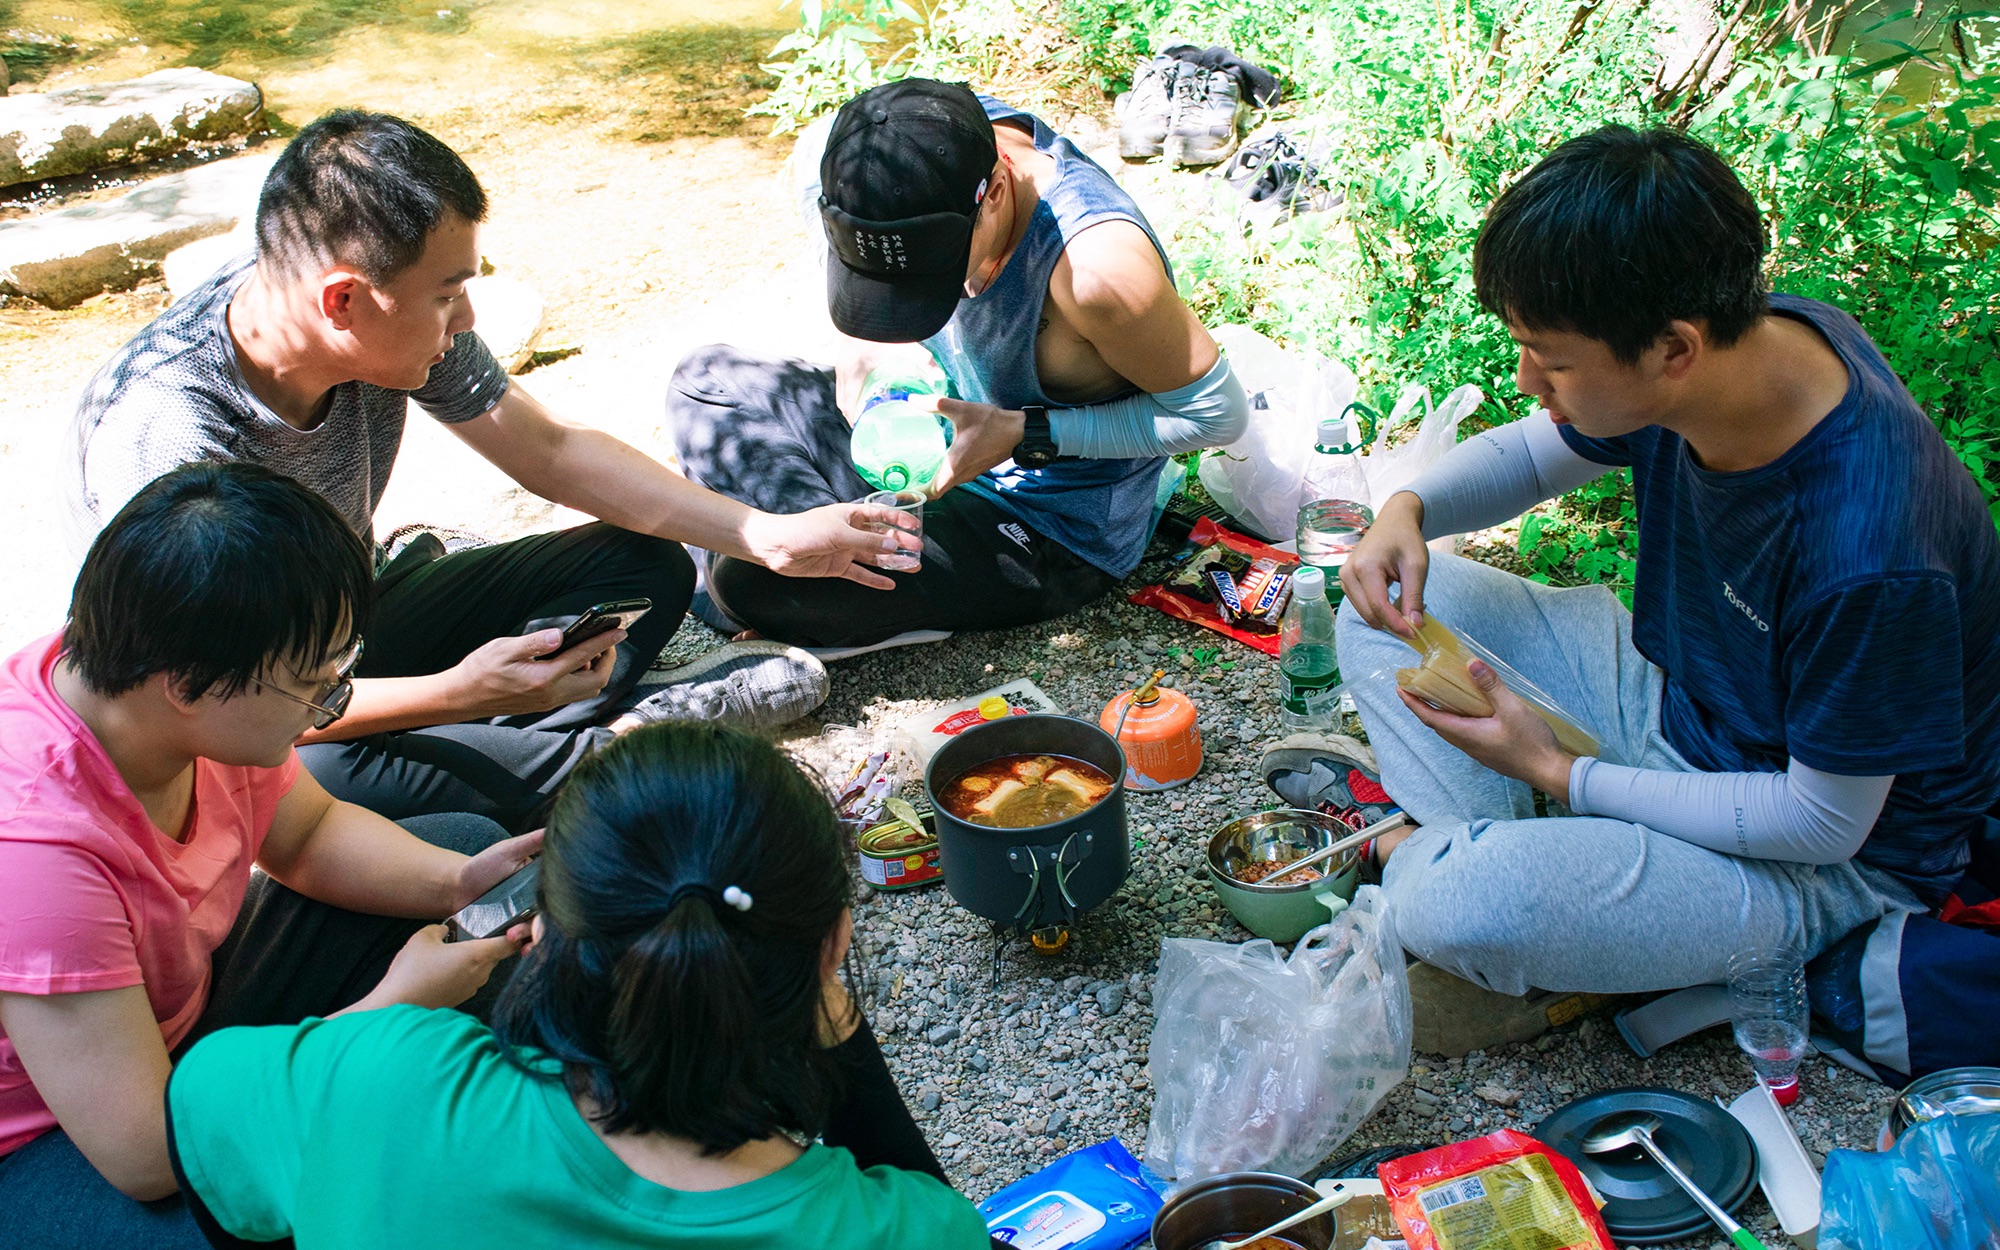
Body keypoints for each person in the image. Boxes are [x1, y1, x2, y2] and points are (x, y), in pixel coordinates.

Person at [64, 110, 921, 831]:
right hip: (251, 705)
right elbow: (227, 708)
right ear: (342, 300)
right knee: (391, 802)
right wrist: (452, 694)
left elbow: (548, 452)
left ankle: (557, 732)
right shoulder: (169, 437)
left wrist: (762, 535)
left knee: (643, 564)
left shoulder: (366, 308)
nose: (466, 317)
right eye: (447, 293)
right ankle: (624, 742)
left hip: (350, 616)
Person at [1299, 125, 2000, 1001]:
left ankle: (1478, 879)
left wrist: (1561, 773)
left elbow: (1822, 823)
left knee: (1464, 903)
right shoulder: (1748, 346)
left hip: (1815, 855)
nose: (1527, 379)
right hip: (1670, 696)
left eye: (1551, 361)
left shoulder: (1869, 548)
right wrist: (1409, 509)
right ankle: (1536, 889)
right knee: (1381, 615)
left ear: (1674, 350)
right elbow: (1534, 455)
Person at [164, 720, 992, 1249]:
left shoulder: (382, 1076)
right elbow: (935, 1210)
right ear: (831, 950)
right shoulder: (887, 1230)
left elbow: (199, 1115)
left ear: (545, 935)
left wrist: (381, 1016)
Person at [0, 463, 551, 1249]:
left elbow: (309, 835)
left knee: (459, 854)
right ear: (188, 686)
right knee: (246, 1215)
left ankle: (483, 1137)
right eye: (312, 684)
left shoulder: (155, 687)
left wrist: (455, 883)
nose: (332, 698)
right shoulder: (35, 852)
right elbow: (149, 1153)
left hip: (173, 1020)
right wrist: (390, 1009)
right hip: (52, 1141)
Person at [667, 77, 1249, 650]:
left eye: (930, 279)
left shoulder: (1098, 271)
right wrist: (862, 343)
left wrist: (1023, 433)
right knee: (707, 380)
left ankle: (789, 579)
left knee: (752, 578)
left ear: (995, 191)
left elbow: (1218, 418)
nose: (920, 300)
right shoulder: (881, 141)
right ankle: (810, 562)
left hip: (1040, 521)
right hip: (922, 433)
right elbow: (812, 159)